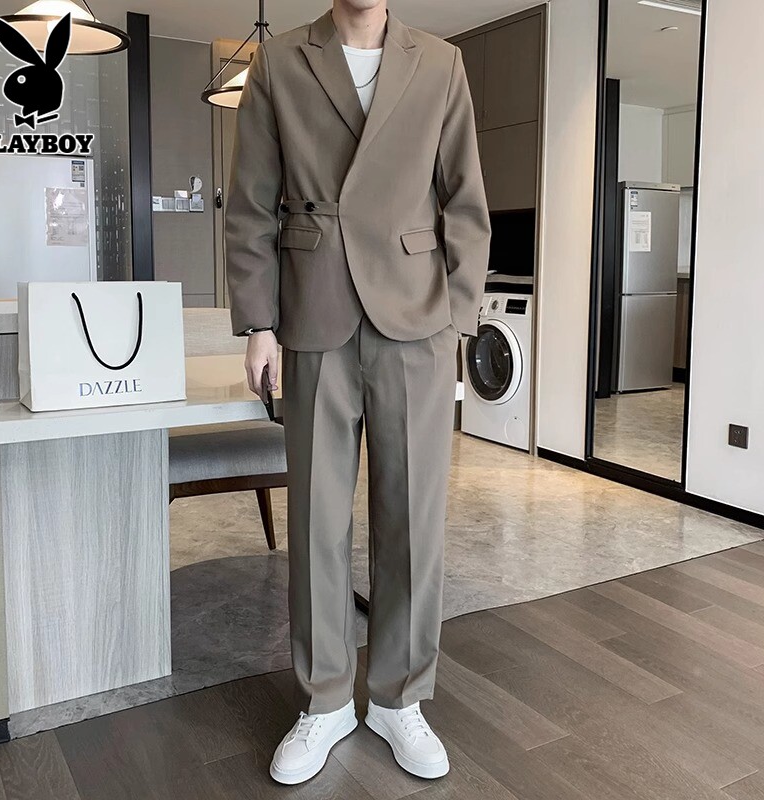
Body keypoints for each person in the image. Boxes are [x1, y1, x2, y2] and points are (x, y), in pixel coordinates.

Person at [225, 0, 489, 785]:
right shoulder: (279, 61)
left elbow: (465, 200)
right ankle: (326, 699)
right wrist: (258, 323)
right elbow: (251, 202)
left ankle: (401, 698)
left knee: (413, 519)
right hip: (314, 312)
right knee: (316, 520)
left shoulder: (440, 62)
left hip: (417, 316)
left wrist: (460, 317)